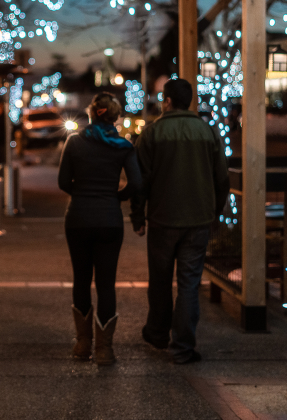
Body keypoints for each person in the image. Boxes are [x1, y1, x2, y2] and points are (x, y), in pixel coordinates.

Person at [133, 78, 229, 364]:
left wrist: (138, 215)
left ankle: (158, 333)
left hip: (163, 218)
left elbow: (140, 181)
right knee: (189, 284)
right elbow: (221, 178)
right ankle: (183, 347)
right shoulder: (208, 132)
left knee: (160, 281)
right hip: (198, 219)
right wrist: (216, 212)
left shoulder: (152, 133)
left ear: (167, 100)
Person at [57, 93, 143, 365]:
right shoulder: (123, 145)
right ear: (114, 117)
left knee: (81, 279)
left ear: (94, 113)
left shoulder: (75, 142)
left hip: (78, 218)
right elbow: (136, 183)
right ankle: (105, 350)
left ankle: (83, 344)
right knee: (106, 284)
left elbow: (62, 182)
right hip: (109, 220)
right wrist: (116, 196)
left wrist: (81, 193)